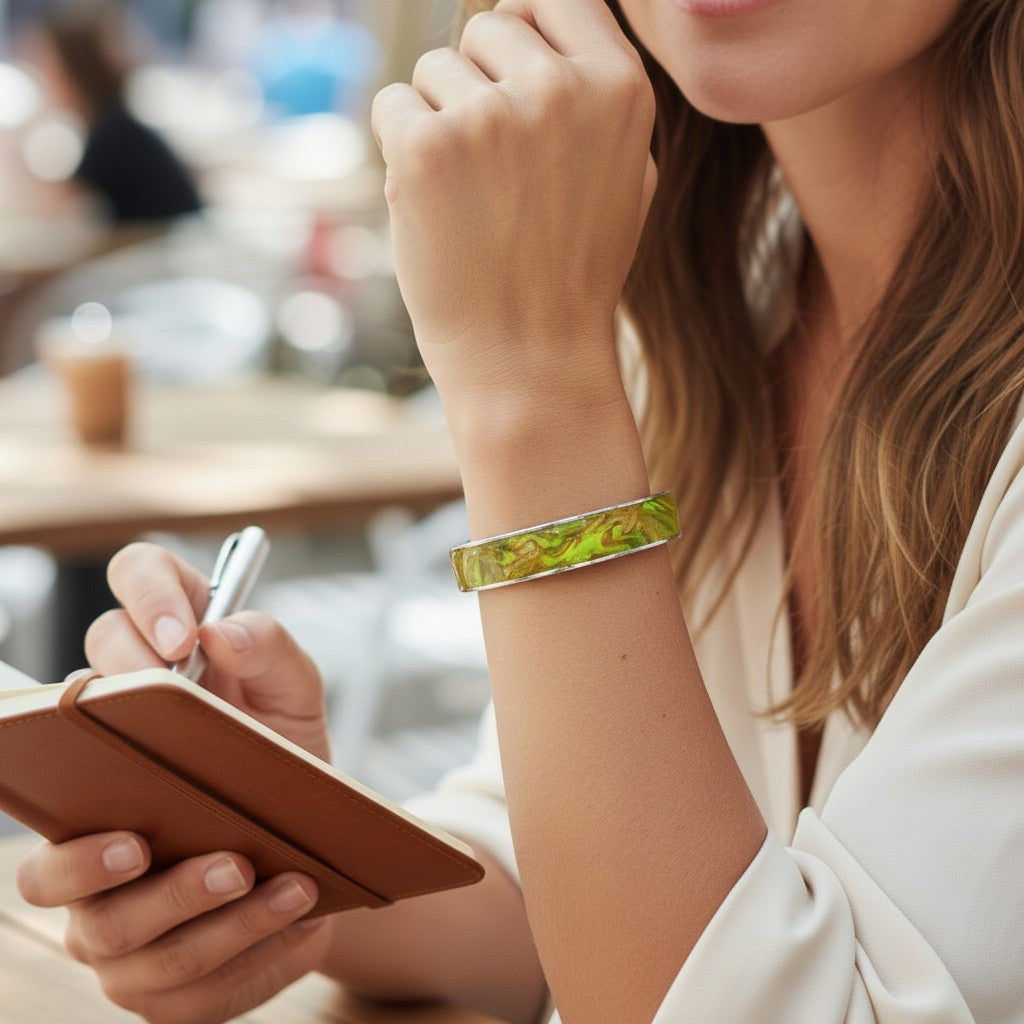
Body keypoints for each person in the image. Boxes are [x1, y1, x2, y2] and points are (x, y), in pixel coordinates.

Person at [14, 0, 1024, 1021]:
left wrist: (531, 390)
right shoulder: (707, 289)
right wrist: (280, 855)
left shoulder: (592, 324)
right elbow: (565, 909)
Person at [30, 4, 203, 224]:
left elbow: (60, 208)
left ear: (73, 73)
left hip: (168, 251)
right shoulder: (116, 126)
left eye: (49, 70)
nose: (44, 83)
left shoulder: (112, 137)